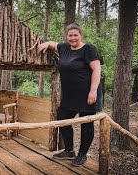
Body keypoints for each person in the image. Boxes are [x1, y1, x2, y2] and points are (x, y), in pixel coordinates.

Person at [37, 23, 102, 167]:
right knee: (62, 119)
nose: (72, 38)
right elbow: (54, 44)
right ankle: (69, 150)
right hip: (69, 95)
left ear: (80, 35)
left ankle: (82, 154)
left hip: (87, 94)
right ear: (67, 36)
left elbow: (97, 69)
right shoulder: (64, 48)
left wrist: (93, 90)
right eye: (70, 35)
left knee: (87, 124)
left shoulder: (89, 49)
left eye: (75, 35)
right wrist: (47, 43)